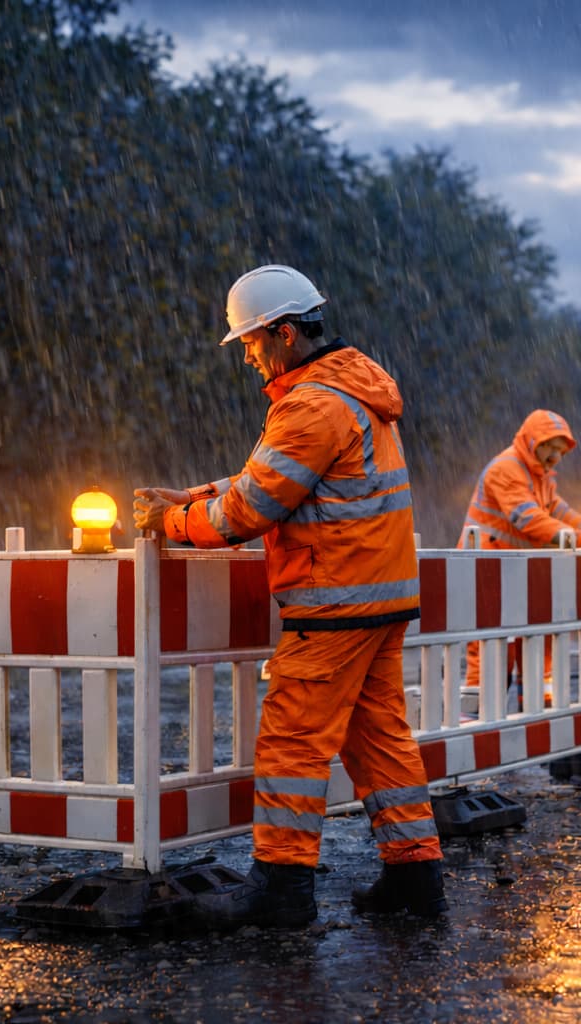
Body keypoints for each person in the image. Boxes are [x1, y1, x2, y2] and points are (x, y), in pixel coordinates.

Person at [132, 264, 446, 929]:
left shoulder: (312, 404)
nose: (246, 356)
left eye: (250, 341)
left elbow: (249, 509)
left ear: (282, 334)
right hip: (378, 601)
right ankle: (415, 875)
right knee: (380, 740)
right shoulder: (349, 391)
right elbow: (275, 475)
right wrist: (193, 495)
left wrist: (173, 524)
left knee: (291, 744)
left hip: (333, 602)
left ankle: (281, 887)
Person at [458, 410, 581, 696]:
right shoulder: (507, 469)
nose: (557, 457)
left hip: (513, 570)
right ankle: (480, 712)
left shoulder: (538, 475)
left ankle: (534, 703)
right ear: (535, 441)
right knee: (491, 644)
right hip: (488, 569)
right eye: (553, 448)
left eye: (561, 451)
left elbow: (559, 511)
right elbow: (528, 517)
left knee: (534, 635)